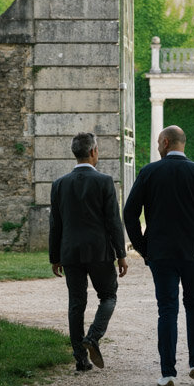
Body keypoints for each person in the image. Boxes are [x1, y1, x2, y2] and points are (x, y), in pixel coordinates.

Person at [123, 125, 194, 386]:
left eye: (159, 142)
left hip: (161, 252)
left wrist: (144, 247)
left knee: (167, 309)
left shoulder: (149, 172)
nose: (158, 146)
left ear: (166, 142)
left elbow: (130, 213)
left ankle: (168, 371)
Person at [49, 132, 129, 372]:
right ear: (94, 151)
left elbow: (56, 224)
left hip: (70, 251)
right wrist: (121, 254)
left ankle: (80, 358)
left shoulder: (59, 184)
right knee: (108, 296)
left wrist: (55, 257)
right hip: (99, 251)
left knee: (76, 303)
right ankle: (93, 336)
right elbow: (113, 221)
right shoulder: (104, 181)